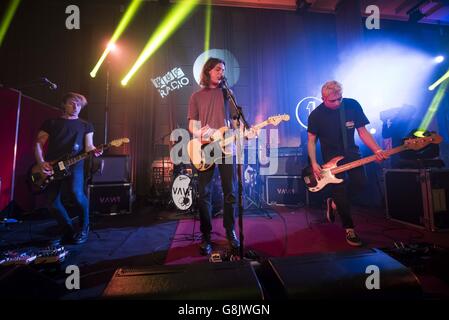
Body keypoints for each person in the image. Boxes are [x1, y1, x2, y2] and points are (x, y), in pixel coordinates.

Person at [307, 81, 387, 246]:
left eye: (339, 99)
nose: (337, 103)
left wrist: (377, 150)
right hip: (330, 159)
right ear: (323, 98)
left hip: (352, 153)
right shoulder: (316, 115)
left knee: (361, 184)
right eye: (332, 101)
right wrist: (314, 163)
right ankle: (349, 228)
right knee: (340, 189)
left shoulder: (351, 105)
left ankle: (335, 202)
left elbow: (362, 131)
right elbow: (311, 141)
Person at [187, 57, 241, 256]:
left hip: (227, 147)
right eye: (218, 69)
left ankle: (230, 231)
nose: (221, 72)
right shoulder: (196, 96)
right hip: (205, 148)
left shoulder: (228, 94)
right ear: (208, 70)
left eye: (223, 70)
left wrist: (242, 131)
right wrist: (204, 132)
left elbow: (236, 121)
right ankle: (206, 236)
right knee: (205, 194)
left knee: (231, 192)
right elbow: (192, 126)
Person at [35, 92, 101, 244]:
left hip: (75, 164)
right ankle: (68, 228)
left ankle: (84, 227)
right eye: (72, 103)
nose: (76, 106)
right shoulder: (51, 123)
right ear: (63, 104)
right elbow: (39, 143)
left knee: (76, 194)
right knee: (52, 202)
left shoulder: (86, 125)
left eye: (79, 104)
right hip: (52, 166)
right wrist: (40, 162)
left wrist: (95, 150)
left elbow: (89, 146)